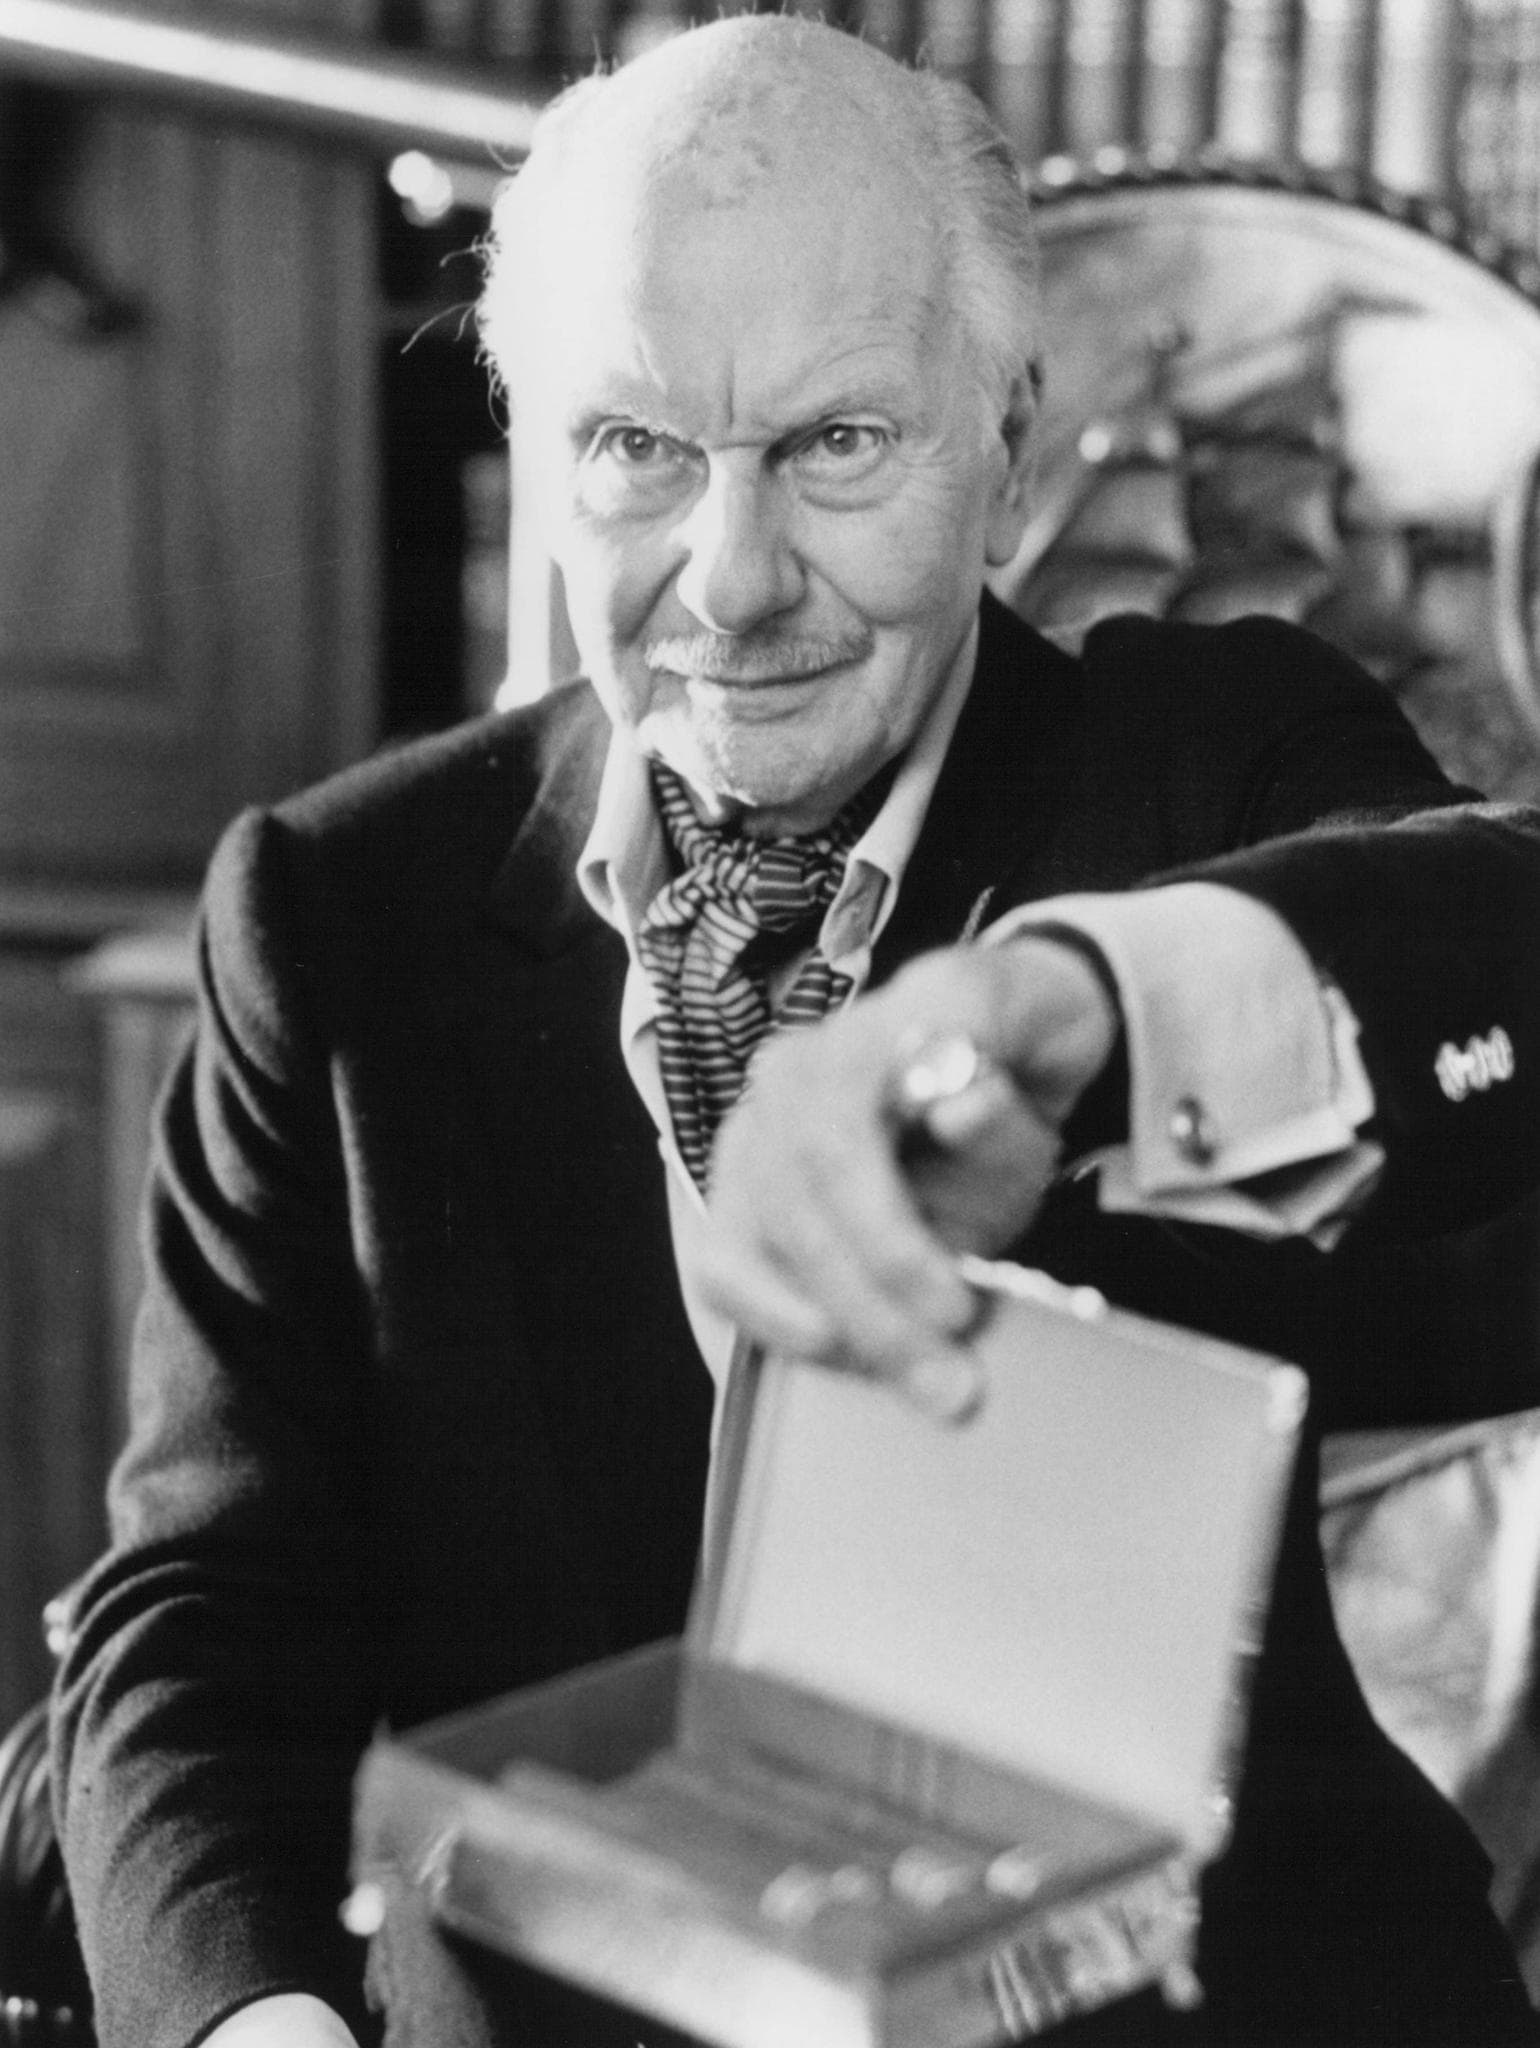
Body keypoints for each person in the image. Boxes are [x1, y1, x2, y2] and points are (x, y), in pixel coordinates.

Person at [47, 13, 1540, 2047]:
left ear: (1008, 444)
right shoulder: (327, 911)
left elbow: (1497, 925)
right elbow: (208, 1619)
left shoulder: (1213, 754)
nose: (731, 584)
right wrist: (255, 2028)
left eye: (836, 445)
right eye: (637, 448)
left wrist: (1080, 1001)